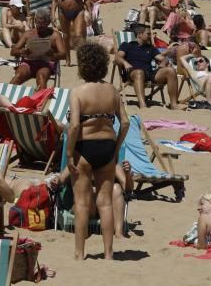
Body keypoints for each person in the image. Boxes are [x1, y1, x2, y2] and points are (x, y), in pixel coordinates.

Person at [66, 42, 129, 260]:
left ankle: (79, 253)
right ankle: (109, 254)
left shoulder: (78, 92)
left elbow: (74, 126)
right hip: (107, 146)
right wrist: (117, 147)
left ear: (82, 66)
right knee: (105, 202)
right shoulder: (113, 91)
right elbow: (126, 122)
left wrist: (68, 153)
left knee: (82, 203)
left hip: (84, 147)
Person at [114, 23, 181, 110]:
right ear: (139, 35)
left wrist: (163, 63)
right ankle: (143, 105)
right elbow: (117, 57)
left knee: (171, 70)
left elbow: (163, 59)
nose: (150, 36)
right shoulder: (127, 45)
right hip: (133, 73)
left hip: (149, 74)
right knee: (139, 72)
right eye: (148, 34)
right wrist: (125, 63)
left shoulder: (150, 48)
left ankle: (174, 104)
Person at [10, 8, 65, 90]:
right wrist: (21, 52)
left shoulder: (55, 35)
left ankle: (39, 101)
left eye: (42, 24)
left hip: (46, 64)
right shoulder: (28, 34)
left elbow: (64, 54)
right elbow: (13, 51)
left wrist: (53, 55)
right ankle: (6, 99)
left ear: (48, 23)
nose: (39, 26)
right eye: (37, 23)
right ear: (35, 21)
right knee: (18, 76)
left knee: (41, 77)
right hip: (29, 63)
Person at [53, 0, 90, 67]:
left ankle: (82, 59)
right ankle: (68, 60)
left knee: (79, 35)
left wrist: (90, 13)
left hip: (78, 11)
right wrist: (52, 15)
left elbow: (86, 0)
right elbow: (54, 1)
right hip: (62, 12)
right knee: (66, 36)